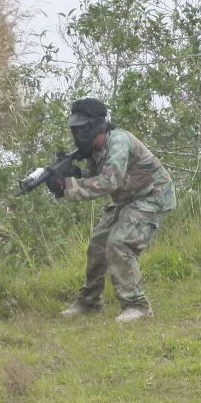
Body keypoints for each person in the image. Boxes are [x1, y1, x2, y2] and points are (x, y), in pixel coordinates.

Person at [46, 97, 176, 323]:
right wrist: (74, 175)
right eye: (75, 130)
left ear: (96, 125)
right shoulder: (96, 148)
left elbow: (109, 182)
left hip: (153, 196)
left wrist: (67, 187)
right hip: (128, 198)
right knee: (98, 244)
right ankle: (89, 302)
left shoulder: (118, 141)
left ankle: (137, 306)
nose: (78, 135)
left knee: (119, 242)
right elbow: (98, 176)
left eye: (82, 129)